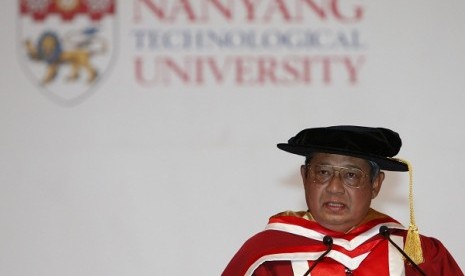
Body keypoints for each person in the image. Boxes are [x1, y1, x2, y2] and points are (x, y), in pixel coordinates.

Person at [222, 125, 463, 275]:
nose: (335, 188)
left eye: (351, 175)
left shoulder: (420, 257)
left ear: (376, 184)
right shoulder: (267, 258)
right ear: (305, 177)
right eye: (323, 173)